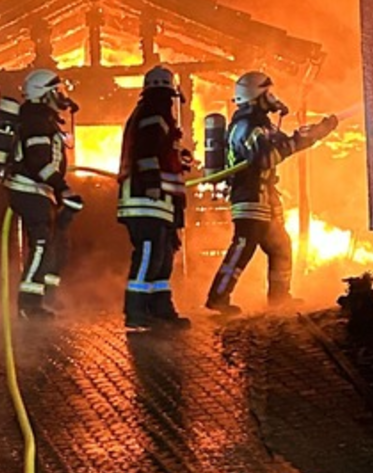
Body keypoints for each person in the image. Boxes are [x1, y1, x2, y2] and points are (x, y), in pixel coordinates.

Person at [205, 70, 337, 315]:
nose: (273, 98)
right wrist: (292, 143)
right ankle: (218, 297)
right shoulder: (246, 127)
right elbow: (267, 157)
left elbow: (289, 142)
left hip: (265, 195)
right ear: (257, 97)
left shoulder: (260, 125)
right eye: (268, 93)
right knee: (244, 246)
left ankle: (279, 298)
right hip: (249, 195)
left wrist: (318, 132)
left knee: (280, 246)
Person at [116, 65, 192, 330]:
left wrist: (179, 159)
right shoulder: (153, 113)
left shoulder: (157, 116)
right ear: (165, 93)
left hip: (161, 203)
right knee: (149, 254)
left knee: (162, 257)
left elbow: (158, 153)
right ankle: (136, 310)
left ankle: (161, 307)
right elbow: (146, 154)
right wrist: (151, 185)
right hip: (145, 200)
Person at [7, 68, 83, 319]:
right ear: (44, 94)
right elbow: (38, 161)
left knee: (55, 245)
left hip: (41, 191)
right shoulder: (36, 121)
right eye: (56, 91)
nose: (61, 96)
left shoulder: (43, 119)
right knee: (40, 245)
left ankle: (46, 298)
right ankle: (28, 304)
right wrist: (63, 188)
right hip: (29, 190)